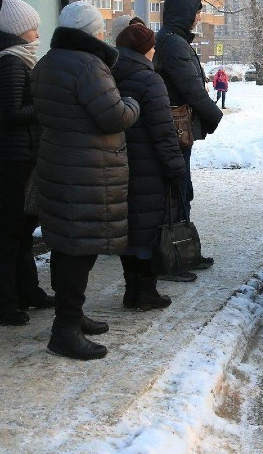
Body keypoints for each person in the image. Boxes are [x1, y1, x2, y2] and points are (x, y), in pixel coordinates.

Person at [31, 1, 139, 360]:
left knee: (67, 248)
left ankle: (72, 318)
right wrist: (132, 103)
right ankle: (64, 331)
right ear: (93, 33)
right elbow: (113, 116)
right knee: (79, 252)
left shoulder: (49, 62)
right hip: (87, 172)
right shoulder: (89, 66)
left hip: (60, 166)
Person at [0, 0, 54, 326]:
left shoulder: (15, 60)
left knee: (23, 227)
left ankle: (27, 291)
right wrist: (44, 106)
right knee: (10, 229)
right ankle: (1, 303)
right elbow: (12, 114)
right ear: (20, 31)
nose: (37, 35)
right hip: (15, 157)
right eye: (33, 29)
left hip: (21, 154)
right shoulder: (11, 63)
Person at [111, 22, 186, 311]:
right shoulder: (150, 80)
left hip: (119, 165)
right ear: (146, 49)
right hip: (149, 169)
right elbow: (163, 131)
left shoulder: (109, 75)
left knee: (128, 229)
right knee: (149, 229)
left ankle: (132, 290)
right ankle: (147, 291)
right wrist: (176, 168)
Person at [153, 0, 223, 280]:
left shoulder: (174, 40)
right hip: (173, 131)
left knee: (183, 192)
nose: (198, 17)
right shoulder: (172, 43)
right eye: (196, 11)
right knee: (174, 193)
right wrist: (214, 114)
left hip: (177, 132)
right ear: (185, 13)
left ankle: (185, 251)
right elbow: (191, 90)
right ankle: (172, 259)